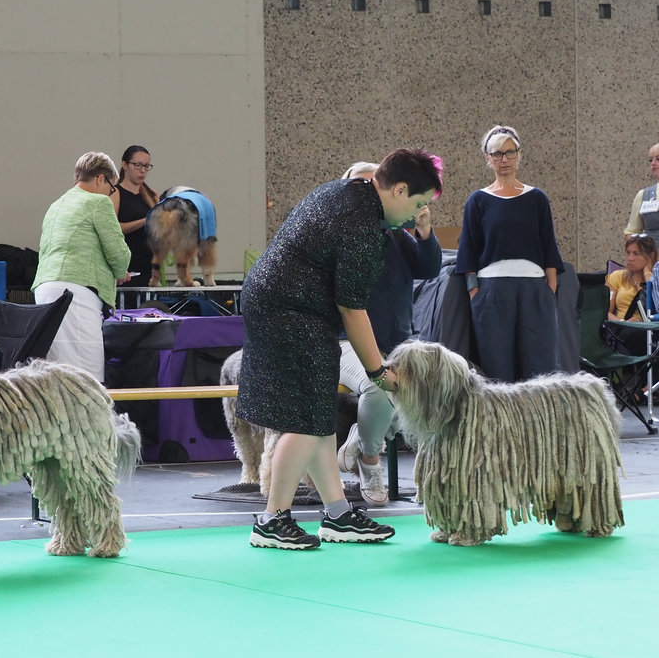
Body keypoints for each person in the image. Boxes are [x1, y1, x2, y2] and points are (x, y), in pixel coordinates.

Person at [239, 148, 442, 550]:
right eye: (417, 204)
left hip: (282, 304)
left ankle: (337, 514)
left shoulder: (346, 192)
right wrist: (380, 373)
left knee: (318, 416)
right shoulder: (363, 224)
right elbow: (353, 309)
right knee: (304, 420)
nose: (414, 215)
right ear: (398, 189)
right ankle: (271, 519)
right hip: (289, 310)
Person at [334, 162, 443, 506]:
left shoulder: (395, 230)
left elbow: (429, 268)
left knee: (427, 383)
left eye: (373, 185)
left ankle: (372, 444)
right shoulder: (339, 232)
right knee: (378, 385)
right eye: (360, 186)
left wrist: (424, 231)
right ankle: (370, 461)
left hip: (397, 340)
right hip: (343, 342)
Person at [456, 125, 564, 383]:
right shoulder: (477, 200)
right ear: (487, 158)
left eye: (509, 152)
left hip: (535, 290)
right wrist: (475, 293)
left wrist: (549, 290)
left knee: (541, 369)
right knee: (496, 371)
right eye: (497, 154)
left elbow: (549, 247)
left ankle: (541, 423)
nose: (504, 159)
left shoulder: (537, 198)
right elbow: (468, 251)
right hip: (491, 291)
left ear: (518, 155)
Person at [32, 152, 131, 382]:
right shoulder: (98, 202)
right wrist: (119, 272)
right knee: (87, 378)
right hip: (76, 294)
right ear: (100, 179)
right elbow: (119, 254)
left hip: (45, 290)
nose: (111, 193)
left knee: (56, 373)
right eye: (111, 187)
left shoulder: (56, 205)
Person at [111, 145, 159, 285]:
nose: (142, 170)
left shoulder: (152, 195)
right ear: (125, 165)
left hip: (149, 265)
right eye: (137, 165)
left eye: (146, 166)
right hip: (126, 268)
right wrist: (146, 220)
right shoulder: (115, 193)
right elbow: (113, 229)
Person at [624, 142, 659, 247]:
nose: (653, 163)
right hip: (653, 259)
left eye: (658, 159)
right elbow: (631, 232)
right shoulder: (643, 195)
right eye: (650, 160)